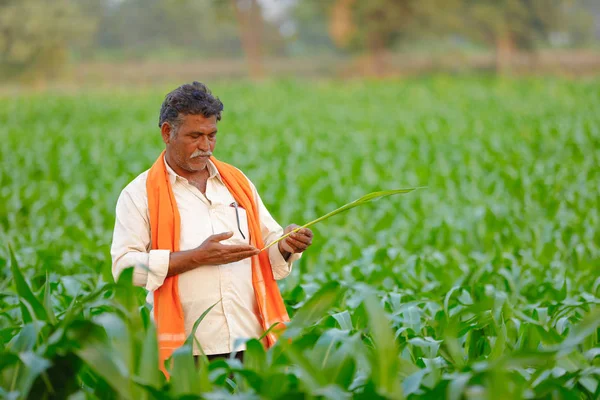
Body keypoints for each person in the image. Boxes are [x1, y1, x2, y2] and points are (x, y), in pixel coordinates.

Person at [110, 81, 313, 374]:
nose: (205, 147)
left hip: (251, 342)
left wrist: (285, 244)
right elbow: (123, 268)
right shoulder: (139, 194)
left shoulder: (237, 182)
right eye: (195, 136)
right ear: (167, 133)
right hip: (187, 352)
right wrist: (197, 257)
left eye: (212, 135)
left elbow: (267, 243)